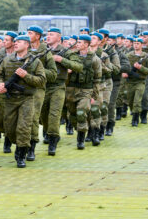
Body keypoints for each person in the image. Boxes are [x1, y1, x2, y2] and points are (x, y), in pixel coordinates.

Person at [0, 35, 46, 168]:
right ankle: (18, 144)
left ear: (27, 45)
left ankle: (21, 154)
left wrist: (26, 76)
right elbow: (0, 75)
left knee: (23, 127)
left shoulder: (35, 62)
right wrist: (0, 85)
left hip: (27, 98)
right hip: (10, 99)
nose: (16, 44)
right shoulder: (7, 60)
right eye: (16, 42)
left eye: (20, 42)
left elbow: (42, 81)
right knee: (10, 128)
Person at [42, 27, 83, 155]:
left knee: (54, 114)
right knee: (43, 115)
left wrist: (62, 60)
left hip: (58, 86)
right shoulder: (42, 50)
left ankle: (53, 140)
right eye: (47, 34)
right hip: (43, 86)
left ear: (59, 38)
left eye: (51, 34)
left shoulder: (65, 51)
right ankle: (49, 132)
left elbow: (78, 66)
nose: (48, 36)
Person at [66, 34, 102, 149]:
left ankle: (80, 140)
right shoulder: (71, 57)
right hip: (71, 90)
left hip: (86, 90)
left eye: (80, 42)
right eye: (77, 42)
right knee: (72, 115)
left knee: (81, 113)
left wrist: (94, 96)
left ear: (86, 44)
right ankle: (81, 130)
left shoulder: (94, 59)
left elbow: (97, 79)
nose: (77, 44)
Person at [26, 26, 57, 161]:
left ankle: (31, 147)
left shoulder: (45, 52)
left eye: (30, 33)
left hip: (37, 88)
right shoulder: (23, 49)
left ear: (37, 36)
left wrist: (39, 70)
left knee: (33, 117)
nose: (27, 35)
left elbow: (53, 73)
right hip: (21, 88)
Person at [0, 31, 18, 153]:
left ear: (14, 42)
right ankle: (4, 133)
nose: (4, 42)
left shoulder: (19, 54)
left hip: (16, 90)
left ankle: (8, 141)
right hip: (1, 88)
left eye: (6, 40)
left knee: (10, 118)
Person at [122, 38, 148, 126]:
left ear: (141, 45)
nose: (136, 45)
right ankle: (135, 113)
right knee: (131, 101)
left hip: (141, 81)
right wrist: (124, 73)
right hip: (130, 82)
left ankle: (135, 119)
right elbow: (123, 66)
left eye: (138, 43)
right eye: (135, 43)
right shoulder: (128, 55)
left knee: (137, 100)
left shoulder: (146, 56)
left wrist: (141, 68)